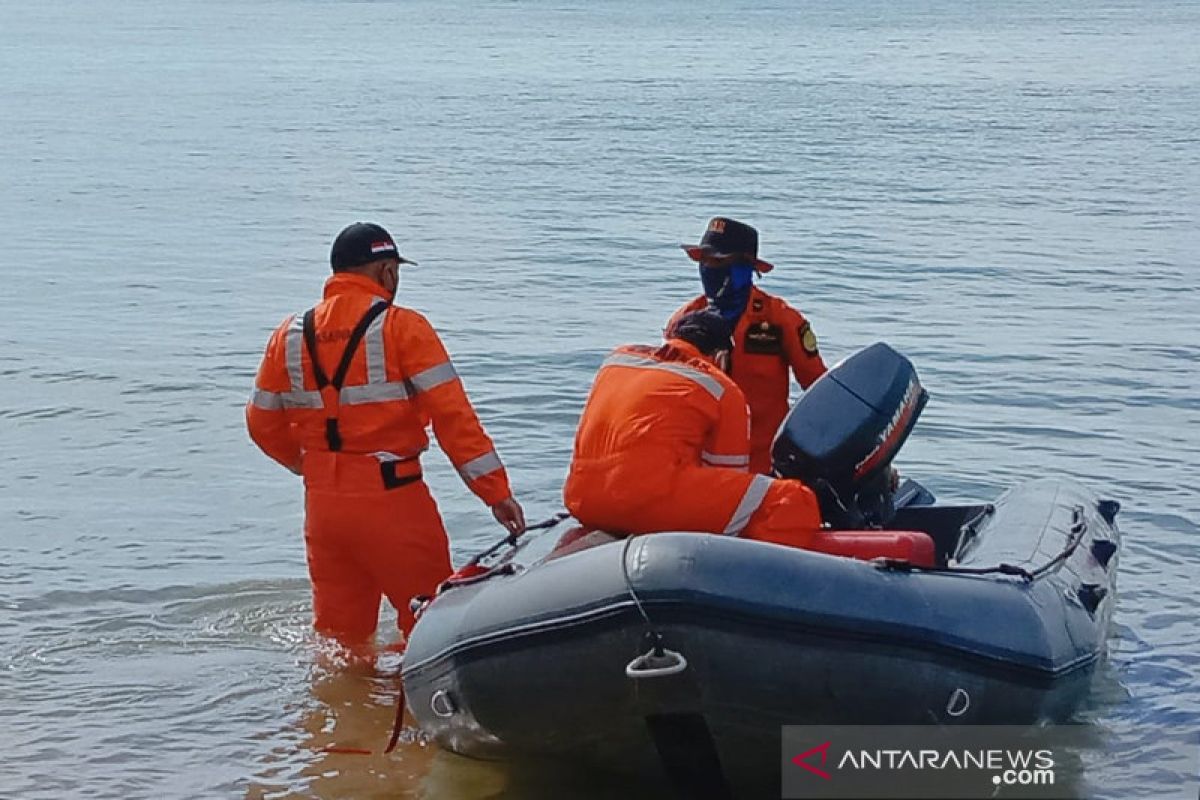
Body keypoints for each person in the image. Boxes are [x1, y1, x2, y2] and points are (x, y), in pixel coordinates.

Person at [246, 222, 525, 649]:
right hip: (393, 500)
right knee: (429, 628)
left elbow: (261, 423)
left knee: (340, 641)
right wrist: (496, 493)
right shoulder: (403, 328)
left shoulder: (288, 335)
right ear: (385, 271)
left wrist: (311, 466)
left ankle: (337, 710)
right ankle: (413, 714)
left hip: (324, 508)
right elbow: (455, 420)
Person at [563, 310, 823, 546]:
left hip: (582, 498)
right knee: (794, 499)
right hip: (644, 499)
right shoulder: (722, 388)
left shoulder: (617, 361)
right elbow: (728, 479)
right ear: (721, 357)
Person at [667, 217, 828, 474]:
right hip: (699, 470)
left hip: (765, 468)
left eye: (719, 261)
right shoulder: (685, 321)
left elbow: (821, 390)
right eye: (704, 261)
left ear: (745, 267)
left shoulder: (781, 319)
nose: (708, 268)